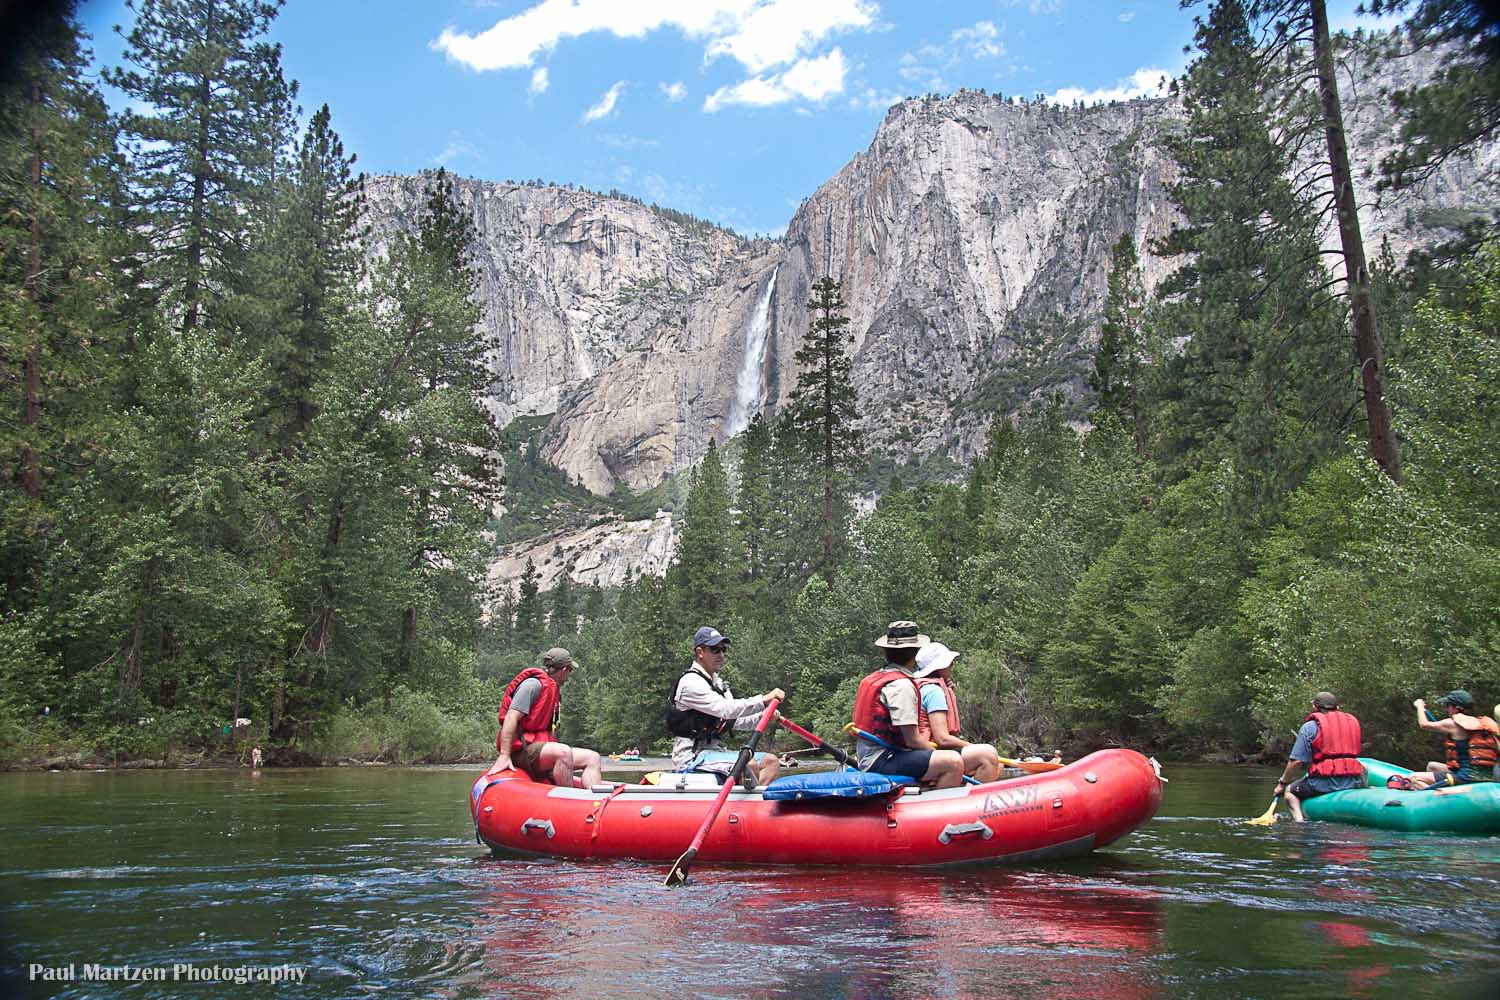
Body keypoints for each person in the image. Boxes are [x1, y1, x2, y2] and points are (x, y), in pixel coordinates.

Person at [667, 626, 784, 789]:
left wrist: (763, 717)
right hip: (692, 757)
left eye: (723, 650)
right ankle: (749, 808)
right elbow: (726, 709)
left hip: (715, 753)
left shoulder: (718, 684)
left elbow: (735, 720)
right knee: (748, 764)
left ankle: (756, 805)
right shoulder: (690, 683)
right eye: (715, 650)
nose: (721, 655)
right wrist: (763, 701)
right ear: (700, 652)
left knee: (771, 762)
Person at [851, 621, 964, 789]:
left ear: (886, 651)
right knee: (952, 762)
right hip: (882, 760)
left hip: (879, 756)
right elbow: (912, 741)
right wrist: (939, 755)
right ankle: (932, 809)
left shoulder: (877, 677)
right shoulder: (901, 686)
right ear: (915, 653)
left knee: (956, 758)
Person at [489, 647, 602, 787]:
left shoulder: (553, 689)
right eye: (570, 671)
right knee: (563, 752)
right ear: (564, 670)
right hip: (520, 751)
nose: (569, 675)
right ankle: (568, 801)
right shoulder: (532, 686)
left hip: (539, 748)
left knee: (593, 758)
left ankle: (594, 802)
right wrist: (504, 755)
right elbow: (510, 718)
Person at [913, 642, 1001, 782]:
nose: (953, 664)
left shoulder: (922, 686)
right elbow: (942, 738)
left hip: (922, 753)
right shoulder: (933, 691)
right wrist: (971, 746)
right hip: (929, 753)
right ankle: (970, 800)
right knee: (988, 757)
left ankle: (962, 790)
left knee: (999, 764)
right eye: (949, 662)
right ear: (940, 667)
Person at [1272, 691, 1365, 822]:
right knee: (1364, 768)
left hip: (1324, 783)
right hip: (1353, 781)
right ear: (1338, 708)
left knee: (1290, 792)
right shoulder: (1353, 722)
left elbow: (1296, 762)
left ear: (1315, 708)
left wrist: (1282, 784)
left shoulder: (1310, 727)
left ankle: (1299, 824)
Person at [1407, 690, 1499, 788]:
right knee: (1432, 766)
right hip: (1487, 777)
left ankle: (1439, 797)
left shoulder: (1452, 724)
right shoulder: (1486, 726)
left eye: (1448, 705)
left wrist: (1420, 706)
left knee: (1412, 778)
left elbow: (1424, 724)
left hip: (1464, 777)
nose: (1447, 709)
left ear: (1456, 708)